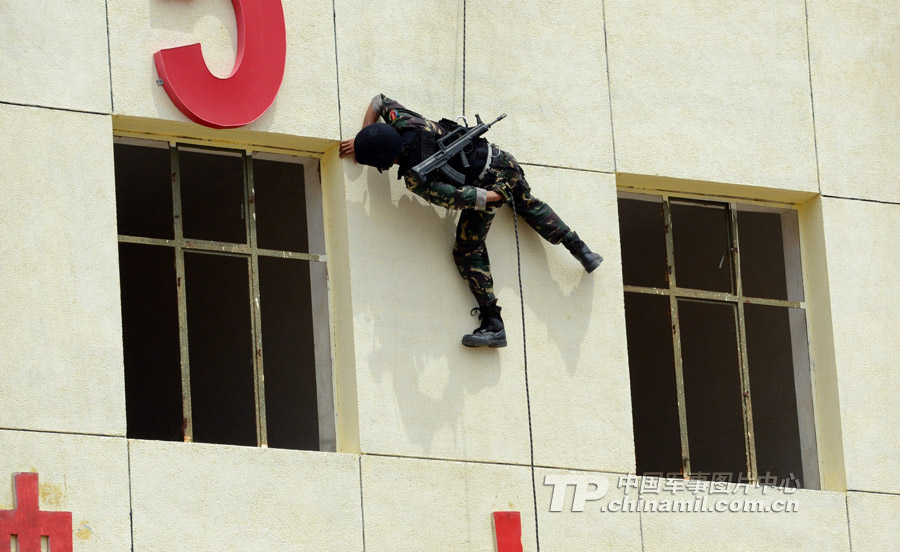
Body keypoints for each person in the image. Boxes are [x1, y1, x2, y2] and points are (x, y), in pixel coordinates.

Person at [340, 94, 602, 348]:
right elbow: (380, 101)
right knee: (527, 203)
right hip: (502, 159)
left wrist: (495, 196)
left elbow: (459, 198)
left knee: (467, 251)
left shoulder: (415, 177)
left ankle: (493, 322)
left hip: (487, 186)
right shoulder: (407, 122)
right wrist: (367, 137)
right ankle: (582, 250)